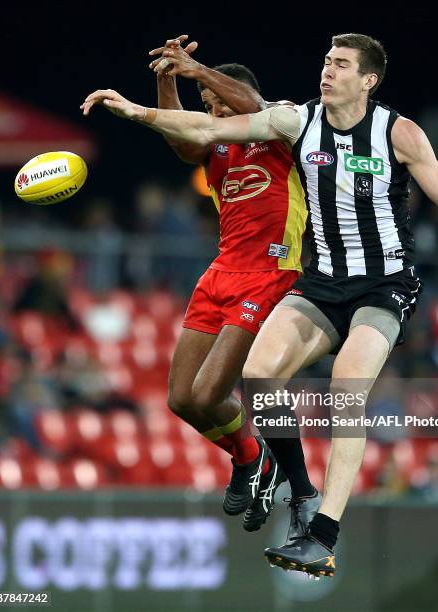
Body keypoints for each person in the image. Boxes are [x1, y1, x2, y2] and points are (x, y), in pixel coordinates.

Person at [81, 32, 438, 576]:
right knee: (259, 374)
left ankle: (322, 533)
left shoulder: (396, 131)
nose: (328, 70)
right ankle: (295, 488)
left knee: (346, 391)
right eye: (326, 61)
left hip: (382, 284)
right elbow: (208, 128)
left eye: (341, 64)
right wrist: (136, 109)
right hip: (320, 282)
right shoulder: (298, 121)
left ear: (368, 80)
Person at [121, 35, 308, 528]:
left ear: (237, 93)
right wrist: (167, 84)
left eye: (215, 102)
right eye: (206, 107)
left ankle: (259, 461)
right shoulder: (218, 144)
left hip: (270, 273)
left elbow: (254, 106)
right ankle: (252, 459)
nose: (212, 111)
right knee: (181, 398)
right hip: (220, 272)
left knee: (208, 395)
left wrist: (196, 68)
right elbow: (184, 140)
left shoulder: (286, 126)